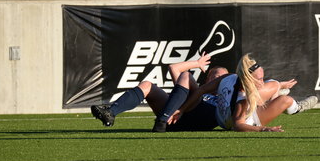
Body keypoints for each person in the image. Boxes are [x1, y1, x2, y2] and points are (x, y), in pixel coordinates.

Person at [158, 53, 317, 133]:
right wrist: (263, 129)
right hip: (249, 120)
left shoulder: (228, 78)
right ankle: (296, 107)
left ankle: (276, 90)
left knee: (273, 85)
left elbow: (201, 90)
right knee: (285, 99)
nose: (261, 82)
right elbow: (238, 125)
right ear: (248, 78)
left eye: (262, 78)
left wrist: (182, 109)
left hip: (225, 114)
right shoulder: (242, 99)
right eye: (259, 79)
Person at [90, 52, 224, 127]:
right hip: (175, 119)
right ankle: (110, 112)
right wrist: (197, 63)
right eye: (216, 77)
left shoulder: (227, 97)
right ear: (207, 79)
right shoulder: (195, 89)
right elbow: (174, 68)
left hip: (200, 117)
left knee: (186, 76)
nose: (219, 81)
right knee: (147, 85)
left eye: (223, 78)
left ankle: (162, 121)